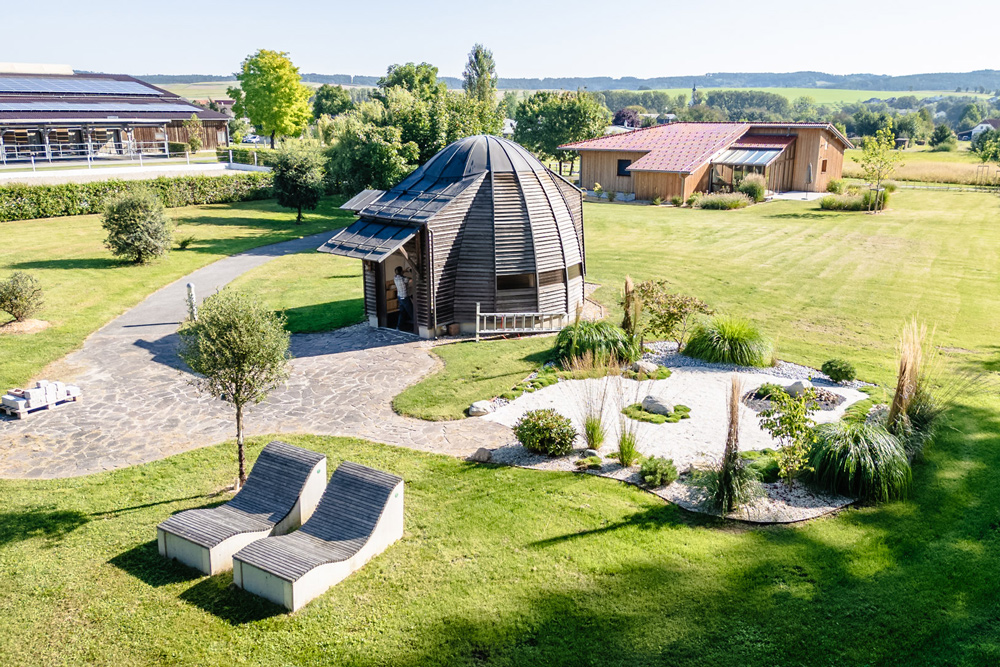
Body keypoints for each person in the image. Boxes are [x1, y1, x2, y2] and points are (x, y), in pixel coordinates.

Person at [393, 266, 413, 331]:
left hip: (399, 297)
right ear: (401, 272)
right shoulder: (404, 279)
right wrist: (410, 272)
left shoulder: (395, 277)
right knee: (411, 311)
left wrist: (404, 271)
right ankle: (416, 326)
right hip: (405, 297)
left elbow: (400, 274)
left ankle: (399, 326)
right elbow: (410, 280)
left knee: (402, 312)